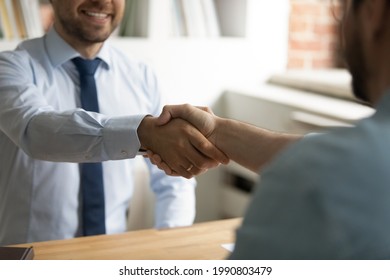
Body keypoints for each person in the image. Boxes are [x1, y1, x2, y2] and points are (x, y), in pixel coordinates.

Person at [150, 0, 390, 259]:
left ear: (372, 11)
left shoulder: (317, 176)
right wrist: (218, 132)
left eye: (341, 8)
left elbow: (326, 166)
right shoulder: (343, 163)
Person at [0, 0, 228, 245]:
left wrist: (167, 245)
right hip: (30, 262)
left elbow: (173, 180)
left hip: (112, 256)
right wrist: (140, 134)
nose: (102, 2)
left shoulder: (141, 76)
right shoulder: (10, 68)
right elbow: (37, 131)